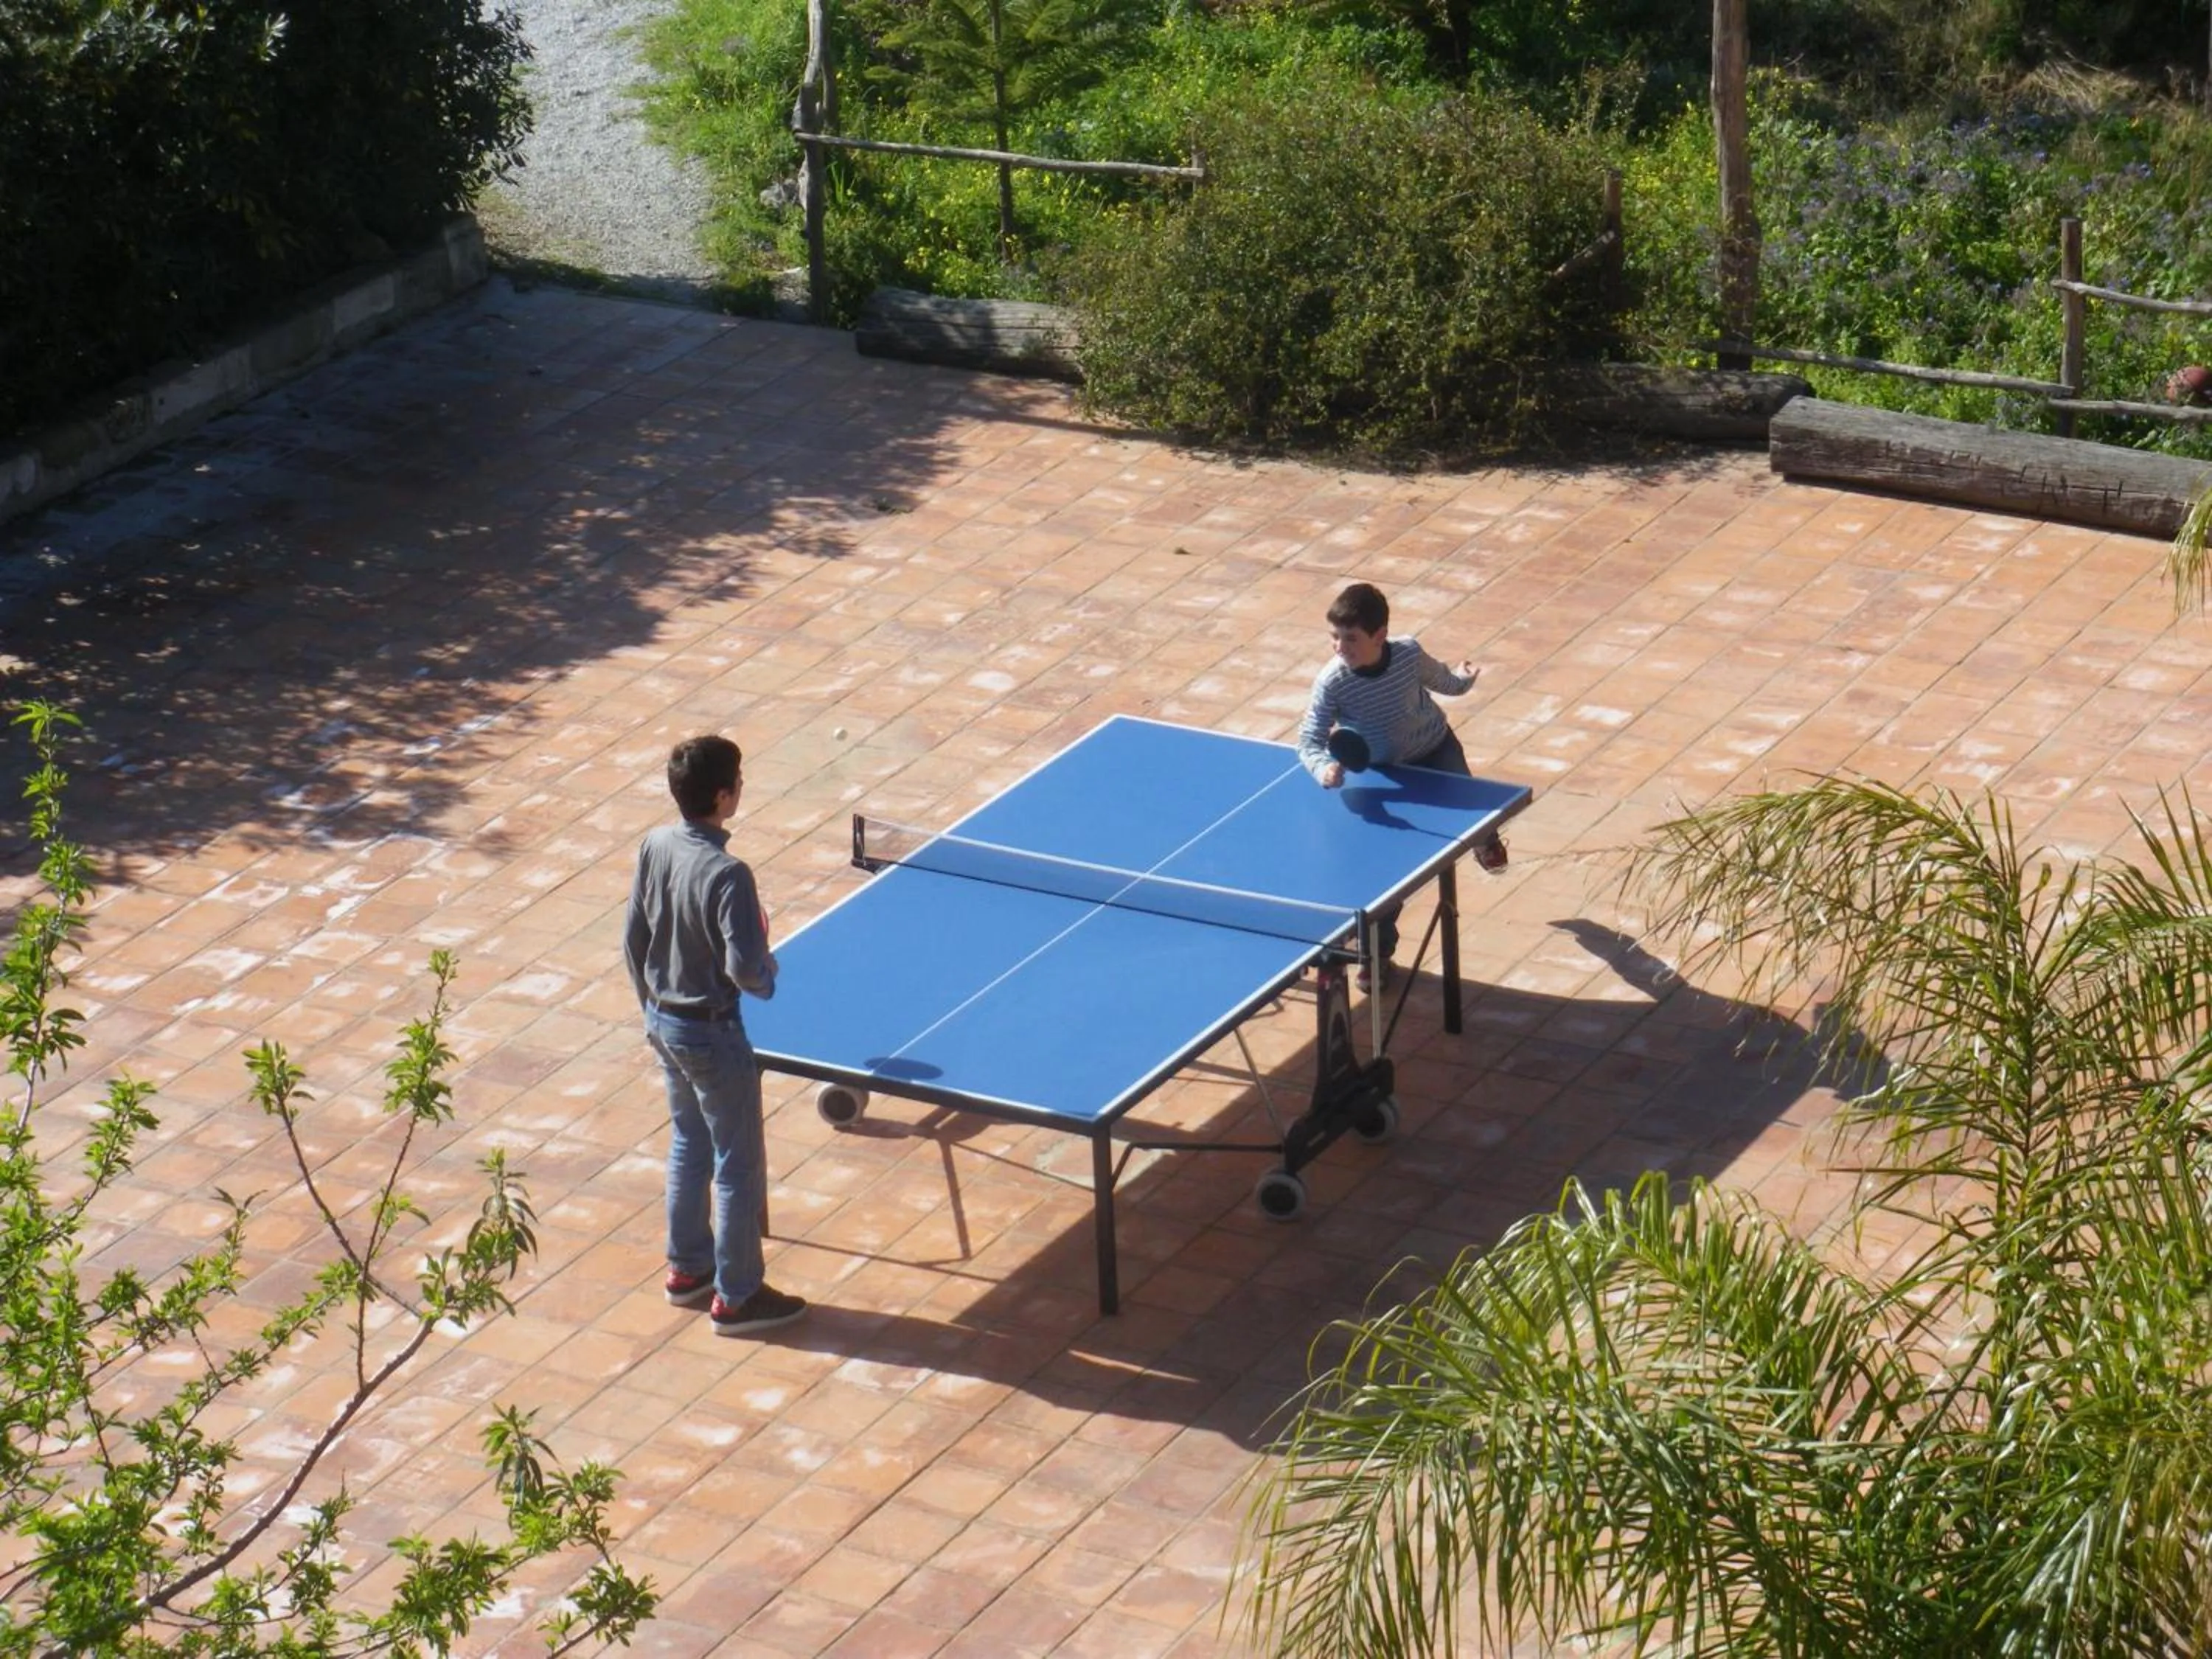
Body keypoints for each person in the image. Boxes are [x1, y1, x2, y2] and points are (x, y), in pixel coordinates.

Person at [622, 735, 806, 1336]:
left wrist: (652, 1009)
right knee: (738, 1165)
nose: (743, 786)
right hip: (713, 1033)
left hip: (665, 1023)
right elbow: (746, 969)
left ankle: (688, 1270)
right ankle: (738, 1296)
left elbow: (634, 939)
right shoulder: (730, 874)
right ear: (723, 795)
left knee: (688, 1143)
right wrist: (768, 976)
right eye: (740, 778)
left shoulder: (653, 844)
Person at [1296, 582, 1505, 990]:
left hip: (1434, 748)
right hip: (1385, 772)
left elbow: (1439, 678)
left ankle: (1486, 842)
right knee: (1388, 878)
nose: (1340, 647)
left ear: (1379, 635)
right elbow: (1309, 740)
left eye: (1350, 638)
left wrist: (1462, 681)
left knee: (1473, 807)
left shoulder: (1407, 653)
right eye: (1334, 637)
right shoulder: (1333, 682)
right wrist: (1323, 769)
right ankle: (1376, 955)